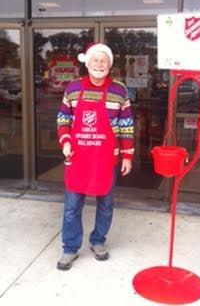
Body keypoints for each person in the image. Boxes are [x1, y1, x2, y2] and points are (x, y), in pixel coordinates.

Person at [56, 43, 134, 270]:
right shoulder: (72, 88)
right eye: (95, 60)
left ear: (109, 65)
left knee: (106, 204)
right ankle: (70, 248)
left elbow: (126, 125)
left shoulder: (119, 91)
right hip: (78, 157)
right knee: (72, 206)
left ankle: (98, 241)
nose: (99, 64)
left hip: (106, 158)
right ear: (87, 63)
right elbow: (63, 119)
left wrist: (127, 155)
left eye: (104, 61)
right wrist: (66, 141)